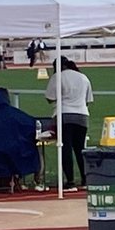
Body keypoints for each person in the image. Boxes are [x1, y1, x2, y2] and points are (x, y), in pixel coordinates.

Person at [45, 56, 93, 191]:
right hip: (82, 115)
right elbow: (88, 100)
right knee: (80, 149)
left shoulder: (58, 77)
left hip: (64, 115)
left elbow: (50, 97)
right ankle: (85, 179)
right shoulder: (83, 77)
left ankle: (70, 181)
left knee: (65, 148)